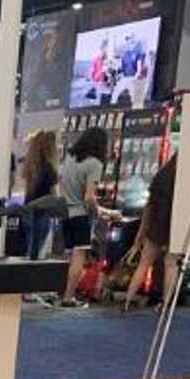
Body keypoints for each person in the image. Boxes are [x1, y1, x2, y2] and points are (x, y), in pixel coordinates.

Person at [58, 125, 121, 307]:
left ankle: (62, 292)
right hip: (79, 214)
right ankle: (69, 297)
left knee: (68, 255)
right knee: (79, 256)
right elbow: (89, 197)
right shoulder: (95, 164)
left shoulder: (70, 158)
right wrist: (104, 212)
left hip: (65, 211)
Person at [124, 154, 178, 311]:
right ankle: (165, 304)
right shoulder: (183, 180)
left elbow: (149, 207)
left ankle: (128, 300)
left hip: (155, 226)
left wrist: (141, 232)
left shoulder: (161, 175)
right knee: (171, 264)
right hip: (174, 226)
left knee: (143, 264)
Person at [22, 129, 59, 261]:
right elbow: (55, 196)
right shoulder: (49, 169)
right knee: (38, 254)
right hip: (43, 213)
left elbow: (27, 191)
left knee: (30, 251)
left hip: (28, 211)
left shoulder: (30, 167)